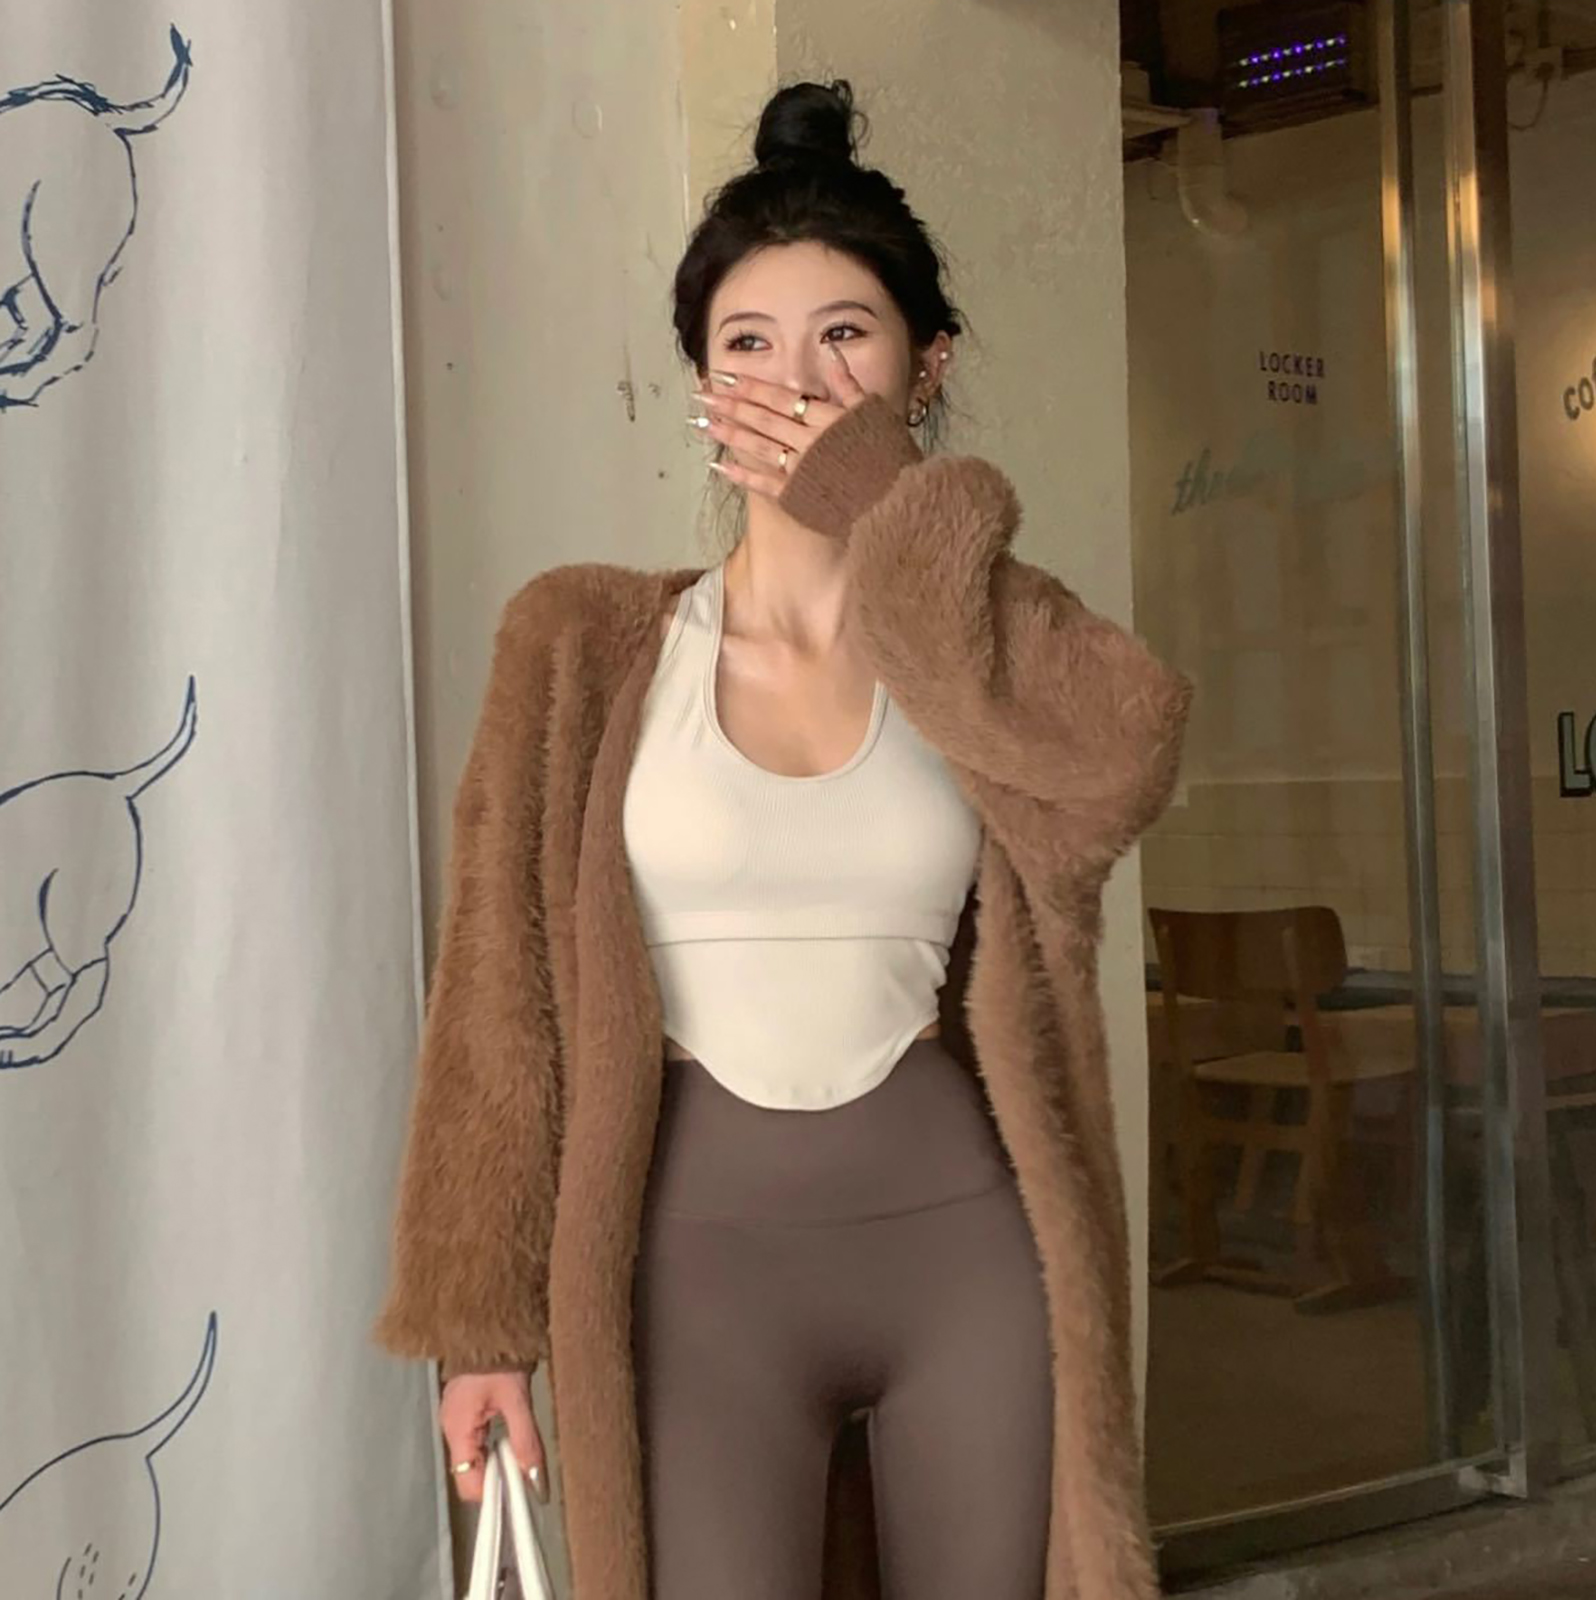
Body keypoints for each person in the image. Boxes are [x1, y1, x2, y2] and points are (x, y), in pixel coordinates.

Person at [374, 78, 1193, 1600]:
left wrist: (884, 505)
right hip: (694, 1267)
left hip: (966, 1251)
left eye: (845, 337)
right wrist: (480, 1325)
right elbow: (498, 997)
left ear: (927, 367)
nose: (794, 381)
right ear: (700, 379)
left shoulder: (977, 645)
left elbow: (1122, 757)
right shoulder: (584, 644)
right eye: (746, 343)